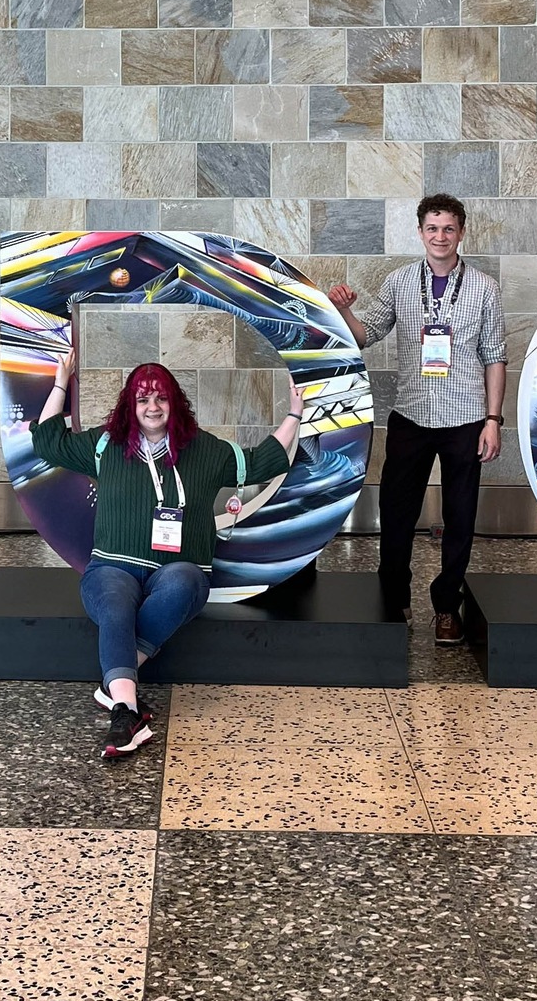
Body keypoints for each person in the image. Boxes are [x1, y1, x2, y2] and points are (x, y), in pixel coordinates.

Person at [33, 353, 304, 759]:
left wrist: (294, 413)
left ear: (174, 403)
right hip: (113, 565)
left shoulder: (204, 450)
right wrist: (60, 383)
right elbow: (47, 441)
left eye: (160, 398)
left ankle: (117, 682)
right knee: (113, 602)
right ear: (130, 405)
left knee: (187, 580)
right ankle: (126, 711)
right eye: (142, 399)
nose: (152, 407)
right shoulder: (105, 444)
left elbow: (266, 460)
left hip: (175, 570)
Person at [327, 193, 506, 645]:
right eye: (432, 228)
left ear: (461, 232)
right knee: (397, 512)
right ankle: (395, 599)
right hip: (412, 414)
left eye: (448, 228)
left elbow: (495, 358)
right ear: (421, 232)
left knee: (460, 516)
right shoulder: (400, 282)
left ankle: (447, 607)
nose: (440, 236)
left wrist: (493, 419)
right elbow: (365, 335)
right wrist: (345, 309)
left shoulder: (484, 287)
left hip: (466, 417)